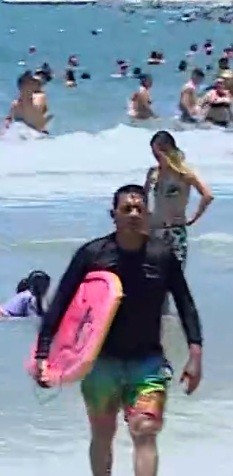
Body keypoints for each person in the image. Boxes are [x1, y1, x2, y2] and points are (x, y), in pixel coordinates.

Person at [33, 185, 202, 476]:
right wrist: (43, 354)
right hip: (100, 362)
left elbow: (185, 304)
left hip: (148, 361)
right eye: (127, 209)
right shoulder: (92, 254)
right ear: (114, 215)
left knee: (145, 430)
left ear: (148, 214)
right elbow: (61, 305)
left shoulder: (162, 256)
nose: (134, 214)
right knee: (103, 434)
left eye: (139, 209)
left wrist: (195, 354)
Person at [144, 130, 213, 268]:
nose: (158, 155)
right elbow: (143, 197)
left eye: (162, 150)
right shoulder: (153, 173)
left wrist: (194, 217)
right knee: (152, 277)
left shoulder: (184, 174)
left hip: (174, 230)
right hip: (153, 231)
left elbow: (207, 195)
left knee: (175, 276)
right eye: (155, 152)